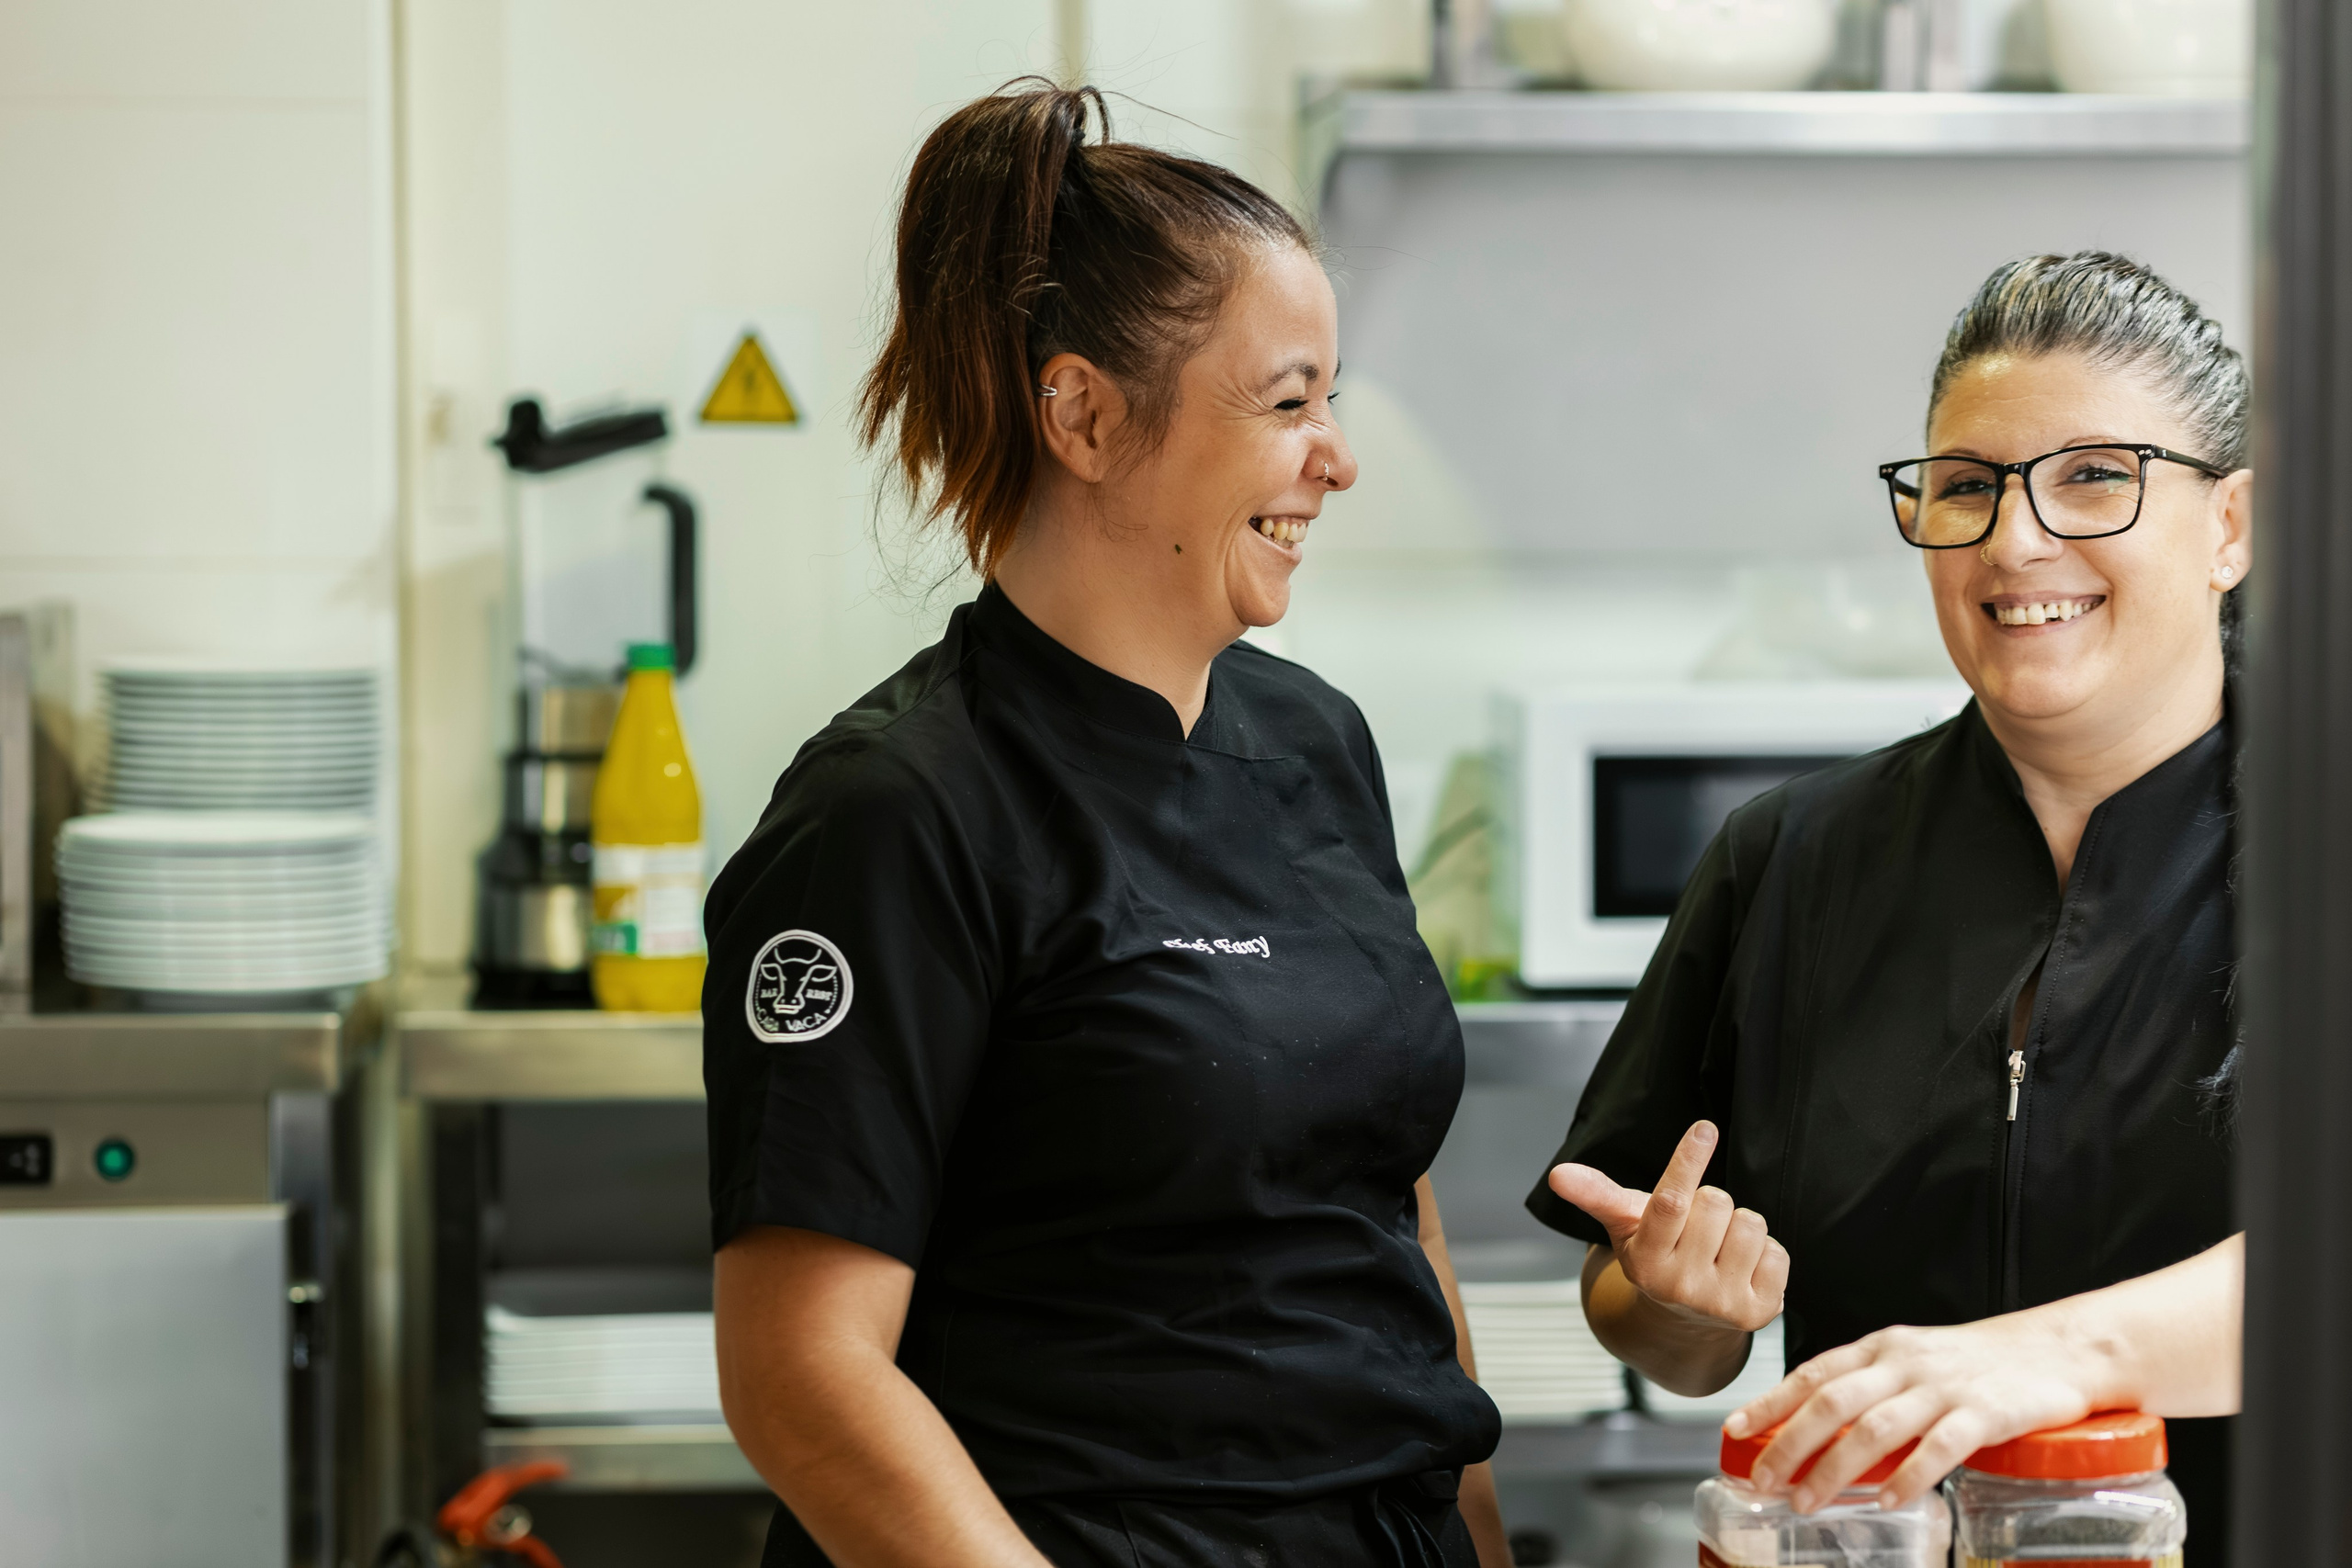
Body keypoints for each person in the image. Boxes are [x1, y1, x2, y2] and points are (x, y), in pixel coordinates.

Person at [705, 83, 1510, 1568]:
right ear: (1082, 413)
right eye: (1288, 401)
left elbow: (1385, 1209)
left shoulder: (1317, 738)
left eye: (1333, 396)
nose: (1335, 454)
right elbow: (801, 1377)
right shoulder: (897, 812)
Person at [1526, 252, 2251, 1563]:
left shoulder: (2320, 850)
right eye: (1967, 487)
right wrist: (1682, 1300)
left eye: (2095, 476)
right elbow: (1655, 1325)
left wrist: (2053, 1357)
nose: (2016, 539)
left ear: (2233, 528)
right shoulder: (1793, 858)